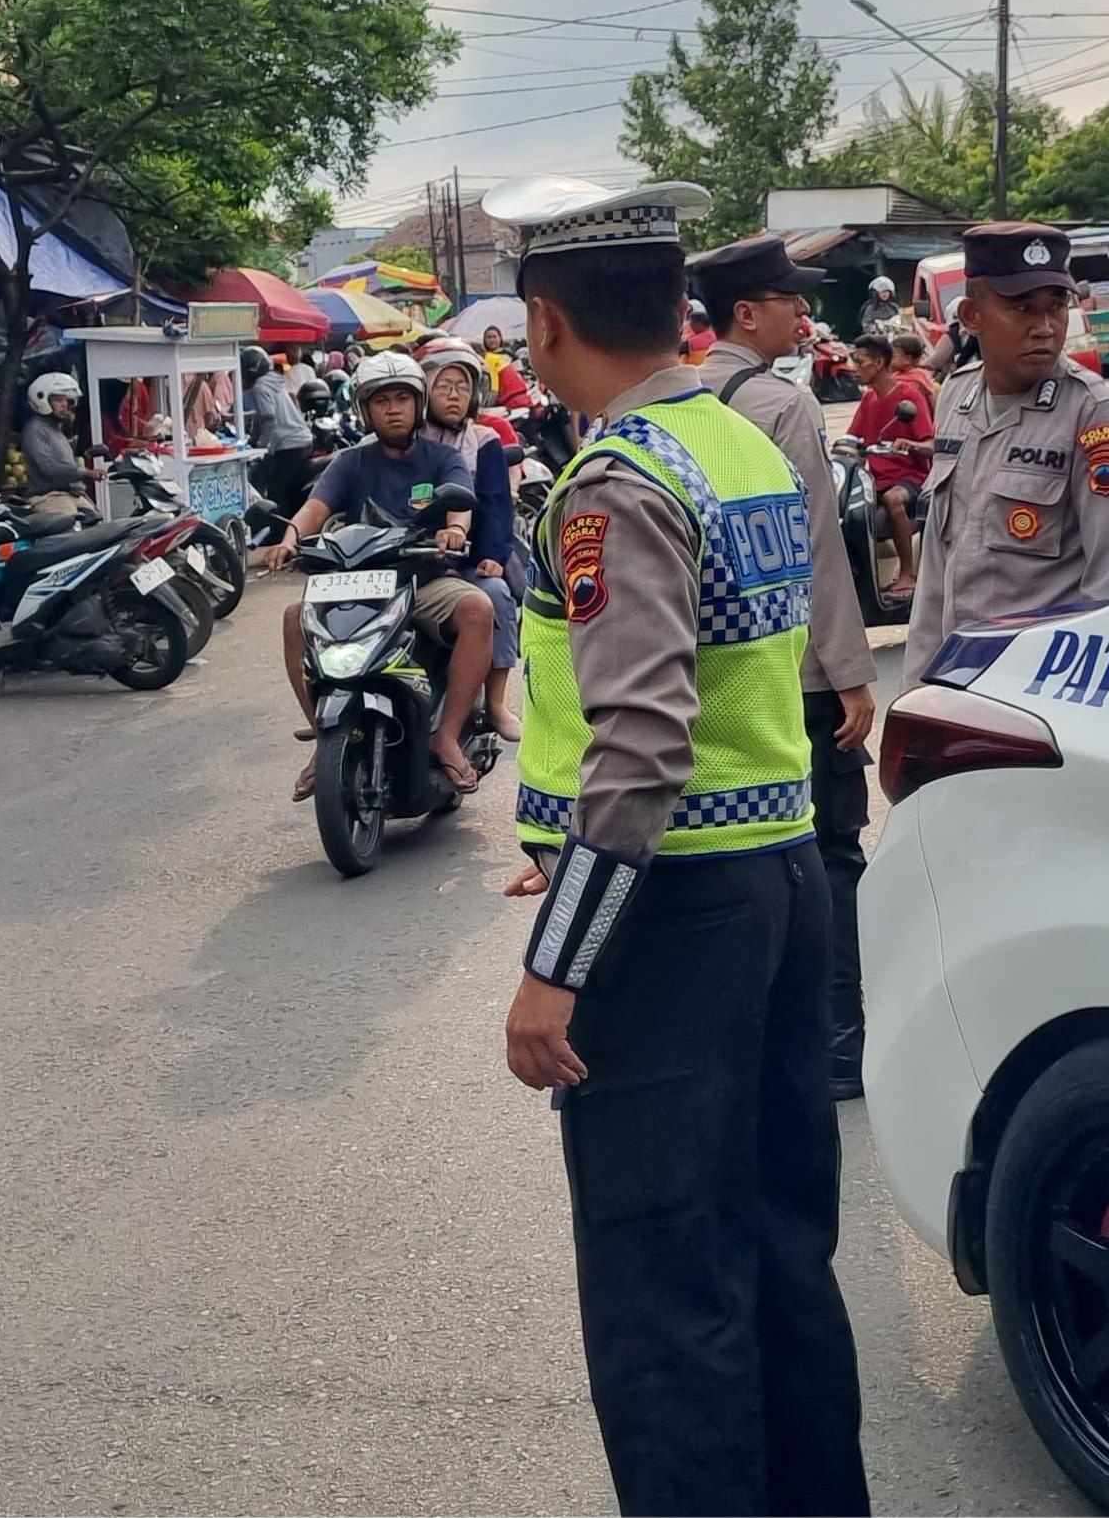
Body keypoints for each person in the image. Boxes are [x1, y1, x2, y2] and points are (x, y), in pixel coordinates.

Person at [481, 176, 865, 1518]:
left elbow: (638, 742)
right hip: (779, 872)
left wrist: (557, 959)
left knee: (661, 1278)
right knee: (776, 1243)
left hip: (674, 915)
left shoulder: (618, 476)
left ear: (544, 318)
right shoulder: (741, 438)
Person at [690, 233, 883, 1099]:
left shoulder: (670, 398)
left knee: (732, 858)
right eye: (791, 299)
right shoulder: (780, 403)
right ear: (745, 312)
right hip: (794, 670)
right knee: (832, 853)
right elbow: (817, 548)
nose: (806, 313)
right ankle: (841, 1047)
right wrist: (848, 669)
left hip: (708, 671)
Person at [907, 223, 1109, 666]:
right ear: (971, 316)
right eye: (1022, 308)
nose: (1044, 328)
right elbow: (936, 568)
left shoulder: (1097, 415)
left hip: (1038, 691)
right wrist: (915, 685)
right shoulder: (957, 395)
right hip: (957, 678)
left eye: (1056, 307)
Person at [261, 349, 489, 791]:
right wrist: (288, 540)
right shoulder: (351, 462)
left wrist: (454, 531)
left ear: (418, 405)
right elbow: (315, 507)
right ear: (364, 409)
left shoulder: (442, 459)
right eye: (381, 400)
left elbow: (459, 502)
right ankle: (325, 738)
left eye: (402, 398)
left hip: (422, 580)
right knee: (294, 618)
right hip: (356, 582)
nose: (393, 408)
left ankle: (446, 738)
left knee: (478, 608)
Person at [418, 339, 527, 742]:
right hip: (413, 560)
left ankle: (496, 702)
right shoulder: (409, 439)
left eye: (462, 387)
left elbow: (498, 505)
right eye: (443, 386)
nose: (453, 396)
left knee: (496, 593)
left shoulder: (483, 441)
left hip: (468, 560)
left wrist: (493, 555)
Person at [842, 332, 936, 601]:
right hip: (876, 482)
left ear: (880, 363)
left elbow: (931, 443)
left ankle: (907, 573)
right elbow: (852, 438)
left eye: (861, 363)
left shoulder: (908, 396)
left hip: (911, 479)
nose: (854, 369)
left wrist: (910, 444)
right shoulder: (868, 400)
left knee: (895, 500)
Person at [244, 344, 318, 519]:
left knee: (277, 496)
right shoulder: (274, 380)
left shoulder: (260, 387)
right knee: (290, 491)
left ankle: (278, 535)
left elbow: (269, 418)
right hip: (304, 441)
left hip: (289, 445)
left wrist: (260, 445)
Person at [20, 370, 93, 521]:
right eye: (58, 400)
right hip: (49, 497)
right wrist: (84, 472)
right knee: (75, 535)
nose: (64, 405)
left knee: (100, 528)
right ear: (42, 399)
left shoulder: (56, 429)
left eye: (67, 401)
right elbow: (49, 468)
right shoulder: (35, 429)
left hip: (72, 494)